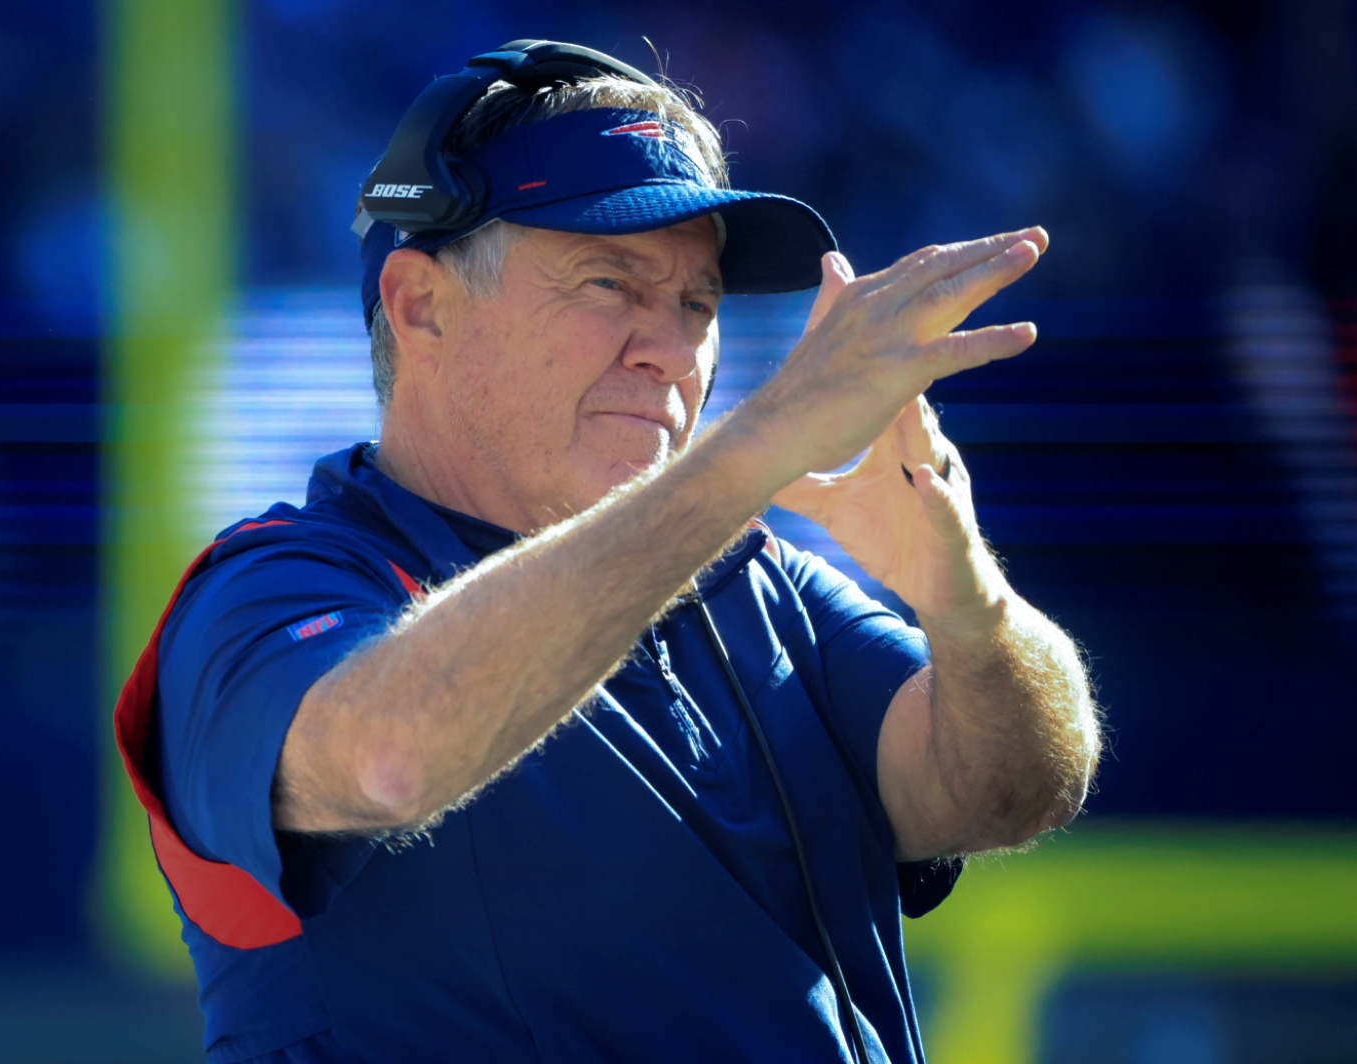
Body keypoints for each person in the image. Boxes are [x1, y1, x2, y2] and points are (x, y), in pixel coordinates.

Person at [116, 40, 1100, 1064]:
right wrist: (761, 444)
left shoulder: (759, 582)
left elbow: (1008, 790)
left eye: (698, 304)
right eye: (608, 282)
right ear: (421, 304)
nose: (675, 353)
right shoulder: (270, 587)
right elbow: (388, 756)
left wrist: (969, 607)